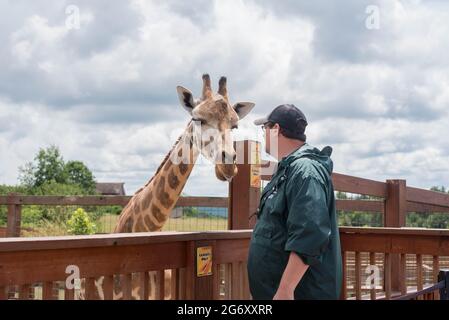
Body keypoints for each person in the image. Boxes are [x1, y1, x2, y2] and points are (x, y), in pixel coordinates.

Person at [247, 104, 342, 300]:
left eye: (264, 128)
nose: (263, 134)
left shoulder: (305, 171)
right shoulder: (290, 168)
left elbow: (311, 232)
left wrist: (285, 289)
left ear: (276, 129)